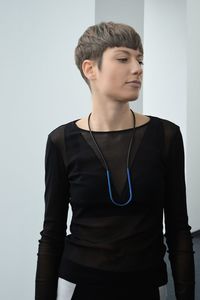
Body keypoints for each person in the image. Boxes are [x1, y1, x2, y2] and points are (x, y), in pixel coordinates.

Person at [35, 21, 195, 300]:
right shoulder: (61, 141)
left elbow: (179, 230)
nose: (137, 68)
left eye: (140, 59)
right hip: (78, 286)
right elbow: (51, 235)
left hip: (148, 286)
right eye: (123, 58)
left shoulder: (166, 136)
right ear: (90, 69)